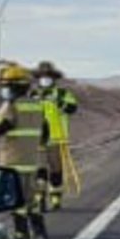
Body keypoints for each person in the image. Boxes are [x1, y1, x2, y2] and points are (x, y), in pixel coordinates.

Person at [0, 64, 48, 239]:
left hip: (13, 162)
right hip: (32, 161)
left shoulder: (11, 107)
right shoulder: (37, 106)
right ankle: (40, 232)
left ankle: (21, 232)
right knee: (32, 199)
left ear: (13, 87)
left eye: (6, 86)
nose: (4, 89)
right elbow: (45, 132)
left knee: (16, 200)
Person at [30, 61, 79, 210]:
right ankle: (39, 197)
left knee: (56, 170)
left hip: (56, 138)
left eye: (48, 76)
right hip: (37, 139)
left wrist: (58, 103)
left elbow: (72, 108)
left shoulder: (63, 94)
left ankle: (56, 197)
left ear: (53, 78)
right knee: (39, 169)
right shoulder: (33, 95)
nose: (45, 79)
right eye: (42, 77)